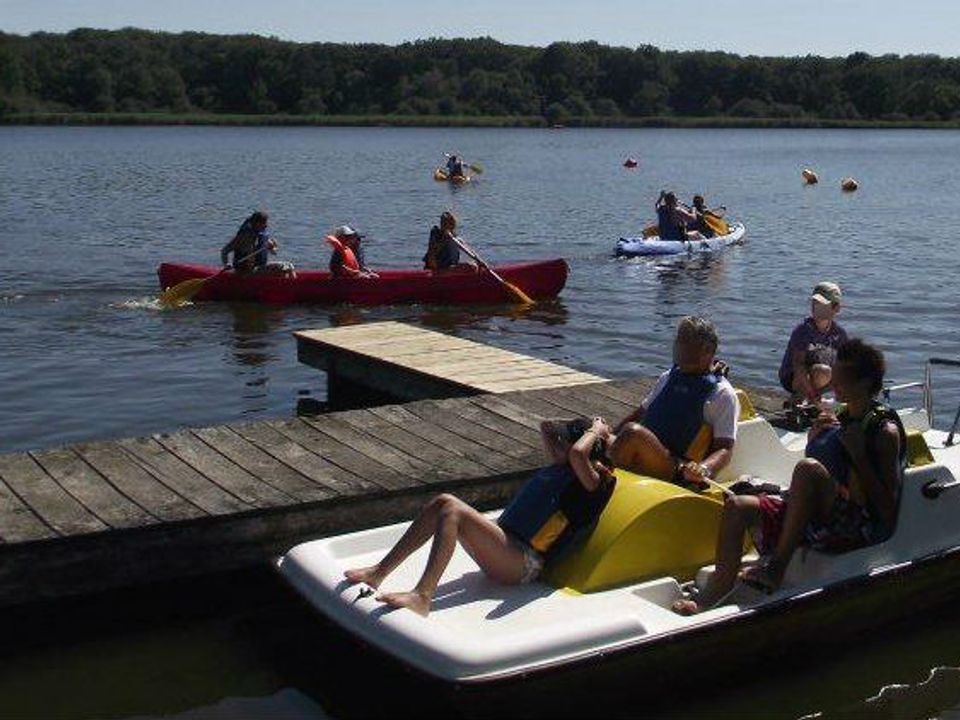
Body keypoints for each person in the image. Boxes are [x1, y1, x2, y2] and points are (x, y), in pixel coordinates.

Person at [674, 338, 905, 614]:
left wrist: (859, 456)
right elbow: (824, 468)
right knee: (737, 504)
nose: (834, 384)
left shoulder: (883, 431)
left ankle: (776, 568)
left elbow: (887, 511)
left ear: (865, 383)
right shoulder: (843, 417)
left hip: (855, 524)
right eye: (837, 375)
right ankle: (713, 594)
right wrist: (816, 438)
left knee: (806, 469)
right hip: (820, 511)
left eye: (842, 378)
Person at [342, 416, 616, 616]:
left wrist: (596, 430)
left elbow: (580, 453)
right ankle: (378, 573)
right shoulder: (564, 466)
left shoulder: (595, 483)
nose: (564, 446)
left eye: (570, 442)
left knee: (453, 509)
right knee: (442, 502)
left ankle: (422, 596)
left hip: (523, 562)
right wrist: (572, 427)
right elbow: (546, 425)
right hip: (506, 547)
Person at [611, 316, 739, 489]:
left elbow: (724, 449)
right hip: (645, 450)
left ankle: (603, 480)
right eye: (679, 341)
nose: (679, 349)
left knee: (632, 433)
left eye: (687, 343)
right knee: (578, 431)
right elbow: (639, 414)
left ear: (708, 350)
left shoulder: (722, 394)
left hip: (676, 466)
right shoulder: (668, 377)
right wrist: (609, 434)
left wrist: (703, 469)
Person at [778, 282, 849, 402]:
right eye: (814, 302)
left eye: (822, 304)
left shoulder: (839, 334)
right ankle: (798, 400)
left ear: (836, 308)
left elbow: (844, 367)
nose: (816, 307)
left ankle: (815, 400)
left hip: (821, 376)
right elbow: (798, 364)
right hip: (794, 376)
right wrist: (810, 392)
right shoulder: (803, 330)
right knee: (822, 371)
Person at [220, 211, 294, 277]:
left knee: (289, 265)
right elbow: (224, 251)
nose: (266, 225)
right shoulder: (243, 237)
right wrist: (226, 264)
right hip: (245, 272)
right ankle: (292, 287)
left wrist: (272, 247)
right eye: (264, 223)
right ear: (257, 223)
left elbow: (274, 252)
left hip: (258, 268)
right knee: (282, 267)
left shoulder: (261, 235)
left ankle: (288, 286)